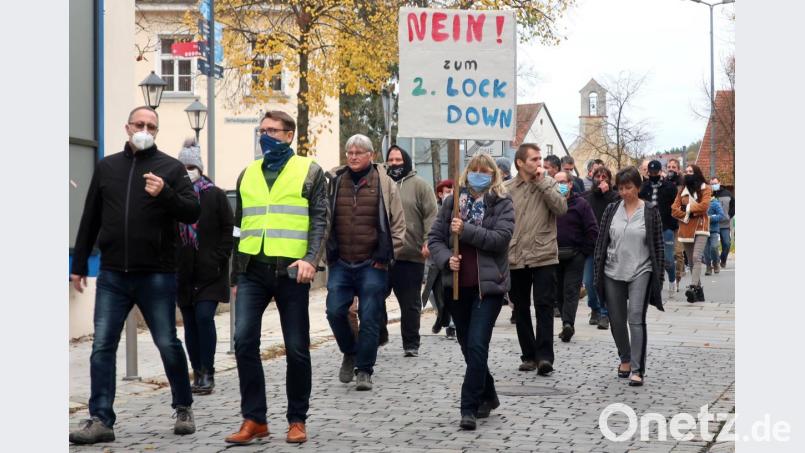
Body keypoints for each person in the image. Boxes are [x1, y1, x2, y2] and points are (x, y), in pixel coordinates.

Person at [69, 106, 200, 444]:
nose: (145, 129)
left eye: (151, 126)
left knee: (167, 342)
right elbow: (90, 217)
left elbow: (192, 211)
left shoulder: (170, 168)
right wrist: (79, 264)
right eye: (140, 124)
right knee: (102, 346)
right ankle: (100, 419)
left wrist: (166, 193)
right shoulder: (107, 166)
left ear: (157, 132)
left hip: (156, 273)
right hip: (113, 273)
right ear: (127, 127)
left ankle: (183, 406)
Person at [225, 111, 329, 445]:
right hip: (254, 270)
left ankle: (297, 419)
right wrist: (236, 274)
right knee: (243, 342)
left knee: (297, 347)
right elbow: (239, 226)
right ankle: (254, 419)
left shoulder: (310, 172)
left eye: (272, 130)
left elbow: (320, 221)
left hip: (292, 272)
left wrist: (311, 259)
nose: (265, 135)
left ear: (288, 135)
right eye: (262, 130)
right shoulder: (248, 174)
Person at [427, 152, 514, 430]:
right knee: (468, 347)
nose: (479, 174)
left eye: (484, 171)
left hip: (487, 289)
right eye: (474, 169)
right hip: (456, 288)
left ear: (493, 175)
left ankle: (468, 407)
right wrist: (444, 259)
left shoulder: (502, 203)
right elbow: (436, 238)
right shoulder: (453, 203)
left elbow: (500, 239)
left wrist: (465, 231)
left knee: (477, 345)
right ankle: (488, 394)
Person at [325, 134, 405, 391]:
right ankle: (350, 351)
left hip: (373, 263)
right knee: (335, 311)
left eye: (358, 153)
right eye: (349, 153)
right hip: (341, 261)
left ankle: (365, 369)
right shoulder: (335, 181)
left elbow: (398, 224)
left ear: (371, 155)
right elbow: (323, 218)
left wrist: (388, 256)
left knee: (370, 317)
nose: (353, 157)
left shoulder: (384, 183)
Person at [593, 166, 665, 387]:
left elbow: (658, 246)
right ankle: (624, 358)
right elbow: (602, 241)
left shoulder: (650, 211)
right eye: (621, 188)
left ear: (638, 187)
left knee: (635, 316)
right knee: (616, 319)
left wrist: (658, 275)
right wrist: (598, 268)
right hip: (612, 270)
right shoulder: (611, 209)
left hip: (640, 270)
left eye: (629, 187)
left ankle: (637, 368)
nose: (624, 192)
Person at [175, 138, 234, 396]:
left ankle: (208, 372)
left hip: (211, 272)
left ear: (199, 166)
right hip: (184, 273)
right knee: (189, 324)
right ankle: (196, 371)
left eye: (191, 165)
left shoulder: (215, 194)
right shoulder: (173, 195)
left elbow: (229, 229)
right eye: (183, 166)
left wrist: (219, 257)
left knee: (203, 318)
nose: (188, 170)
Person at [506, 143, 568, 375]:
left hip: (544, 254)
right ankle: (529, 355)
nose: (538, 163)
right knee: (520, 307)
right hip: (516, 255)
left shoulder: (551, 183)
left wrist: (542, 182)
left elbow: (561, 208)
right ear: (520, 162)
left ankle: (544, 357)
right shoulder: (507, 188)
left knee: (544, 306)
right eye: (533, 159)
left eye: (540, 159)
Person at [384, 145, 438, 357]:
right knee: (374, 297)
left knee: (410, 304)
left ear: (405, 161)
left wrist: (428, 241)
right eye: (391, 159)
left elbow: (431, 216)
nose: (395, 163)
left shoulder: (420, 186)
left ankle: (411, 344)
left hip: (411, 254)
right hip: (383, 254)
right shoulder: (381, 183)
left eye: (398, 159)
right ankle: (379, 333)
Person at [553, 171, 599, 342]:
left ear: (570, 184)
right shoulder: (550, 203)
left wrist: (583, 252)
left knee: (571, 290)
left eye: (563, 182)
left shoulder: (581, 204)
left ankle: (568, 324)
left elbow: (593, 230)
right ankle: (564, 320)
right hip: (553, 255)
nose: (559, 185)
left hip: (575, 255)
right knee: (558, 292)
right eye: (556, 182)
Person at [583, 166, 620, 330]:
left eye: (604, 176)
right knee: (590, 282)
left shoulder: (614, 197)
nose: (601, 178)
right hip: (590, 246)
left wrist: (608, 193)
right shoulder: (587, 197)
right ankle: (595, 309)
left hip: (609, 245)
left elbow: (619, 206)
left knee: (604, 282)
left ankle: (605, 313)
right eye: (598, 176)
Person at [671, 164, 712, 303]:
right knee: (691, 261)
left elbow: (704, 206)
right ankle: (699, 292)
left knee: (696, 257)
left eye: (691, 171)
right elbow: (674, 209)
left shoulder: (706, 188)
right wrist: (688, 213)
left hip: (701, 227)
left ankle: (693, 287)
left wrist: (686, 208)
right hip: (685, 227)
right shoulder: (682, 190)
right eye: (686, 172)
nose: (688, 174)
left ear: (697, 173)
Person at [639, 160, 679, 296]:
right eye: (651, 172)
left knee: (668, 259)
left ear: (660, 172)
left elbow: (676, 206)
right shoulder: (644, 187)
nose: (653, 174)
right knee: (652, 258)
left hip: (666, 226)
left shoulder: (669, 187)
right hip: (649, 227)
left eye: (655, 172)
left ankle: (672, 280)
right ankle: (656, 285)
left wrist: (674, 225)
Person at [422, 179, 457, 339]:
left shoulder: (456, 209)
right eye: (447, 191)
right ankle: (440, 315)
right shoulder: (435, 210)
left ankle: (450, 325)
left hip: (449, 260)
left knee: (448, 291)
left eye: (452, 190)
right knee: (432, 293)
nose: (449, 194)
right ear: (440, 194)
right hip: (434, 260)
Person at [666, 158, 686, 291]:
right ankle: (671, 278)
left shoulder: (683, 184)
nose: (671, 169)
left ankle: (678, 278)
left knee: (678, 253)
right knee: (668, 255)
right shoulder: (664, 183)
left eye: (674, 167)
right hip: (667, 222)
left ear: (678, 169)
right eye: (669, 167)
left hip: (679, 223)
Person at [710, 176, 734, 268]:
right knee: (713, 246)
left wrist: (729, 215)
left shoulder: (727, 193)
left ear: (719, 183)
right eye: (712, 184)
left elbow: (734, 206)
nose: (713, 185)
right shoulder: (708, 194)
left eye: (715, 183)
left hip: (725, 224)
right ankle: (715, 261)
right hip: (713, 224)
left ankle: (722, 259)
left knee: (727, 244)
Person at [704, 197, 726, 275]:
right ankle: (708, 267)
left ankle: (716, 263)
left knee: (714, 247)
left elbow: (721, 215)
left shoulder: (715, 203)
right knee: (706, 251)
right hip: (703, 230)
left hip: (714, 230)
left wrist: (710, 218)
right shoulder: (700, 202)